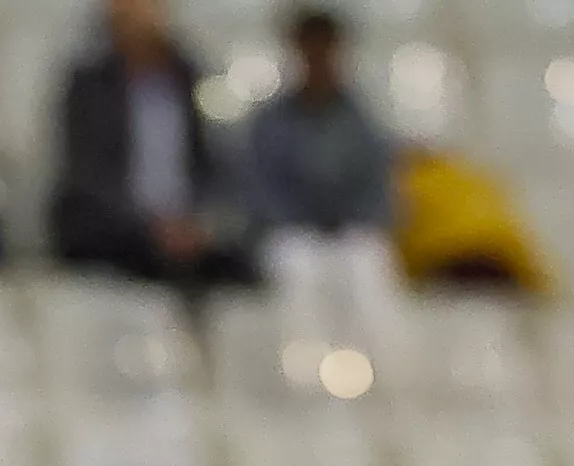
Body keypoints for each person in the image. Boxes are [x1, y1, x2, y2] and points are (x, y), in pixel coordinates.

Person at [51, 0, 253, 294]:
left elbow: (210, 162)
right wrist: (152, 225)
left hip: (184, 225)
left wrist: (196, 221)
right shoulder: (88, 85)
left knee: (241, 270)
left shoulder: (187, 76)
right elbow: (87, 174)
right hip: (116, 225)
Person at [247, 11, 394, 241]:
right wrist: (298, 223)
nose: (319, 62)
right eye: (311, 52)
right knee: (295, 264)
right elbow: (259, 190)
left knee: (367, 262)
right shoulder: (270, 123)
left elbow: (376, 187)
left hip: (352, 232)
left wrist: (350, 223)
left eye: (326, 51)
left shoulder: (362, 121)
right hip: (291, 232)